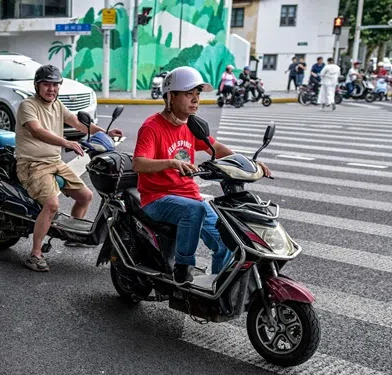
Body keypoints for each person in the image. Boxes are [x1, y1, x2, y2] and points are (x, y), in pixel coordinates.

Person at [132, 66, 272, 284]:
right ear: (171, 96)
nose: (195, 100)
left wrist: (250, 163)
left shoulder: (191, 125)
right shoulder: (152, 127)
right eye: (189, 94)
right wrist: (172, 163)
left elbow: (216, 147)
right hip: (157, 198)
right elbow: (138, 163)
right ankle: (183, 267)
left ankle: (216, 288)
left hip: (189, 196)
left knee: (226, 239)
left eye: (197, 95)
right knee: (194, 210)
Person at [14, 64, 122, 272]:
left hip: (55, 162)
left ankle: (72, 236)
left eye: (55, 85)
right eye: (47, 85)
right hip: (32, 164)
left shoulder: (57, 104)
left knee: (86, 196)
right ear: (37, 86)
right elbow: (37, 131)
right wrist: (66, 143)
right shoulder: (28, 106)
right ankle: (35, 254)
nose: (51, 89)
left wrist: (105, 133)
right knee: (52, 205)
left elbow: (80, 124)